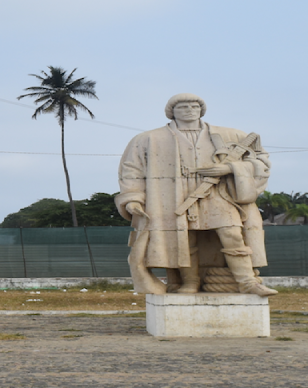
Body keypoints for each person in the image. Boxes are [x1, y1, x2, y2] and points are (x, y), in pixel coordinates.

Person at [116, 94, 276, 296]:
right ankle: (189, 283)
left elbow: (261, 161)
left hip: (217, 194)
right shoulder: (147, 139)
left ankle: (247, 282)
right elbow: (132, 171)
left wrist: (230, 168)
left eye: (194, 106)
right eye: (183, 106)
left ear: (201, 110)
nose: (190, 110)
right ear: (171, 112)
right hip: (171, 197)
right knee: (183, 240)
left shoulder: (231, 135)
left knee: (232, 233)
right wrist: (132, 198)